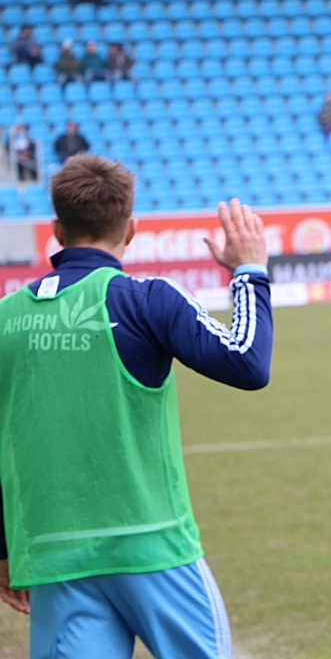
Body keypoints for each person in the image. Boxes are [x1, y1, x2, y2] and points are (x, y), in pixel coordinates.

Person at [0, 155, 273, 659]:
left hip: (55, 553)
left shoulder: (5, 318)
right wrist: (249, 271)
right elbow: (248, 362)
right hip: (152, 546)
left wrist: (4, 550)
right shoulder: (147, 300)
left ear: (56, 229)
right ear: (131, 230)